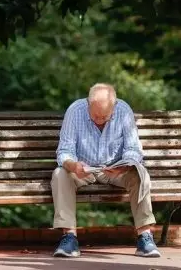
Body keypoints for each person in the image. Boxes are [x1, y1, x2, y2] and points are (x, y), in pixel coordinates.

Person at [50, 83, 160, 258]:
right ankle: (69, 237)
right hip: (84, 169)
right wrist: (74, 166)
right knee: (60, 173)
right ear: (88, 104)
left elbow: (133, 149)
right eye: (95, 116)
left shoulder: (123, 111)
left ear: (114, 107)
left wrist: (123, 166)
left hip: (115, 169)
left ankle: (145, 236)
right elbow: (64, 151)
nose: (99, 120)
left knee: (140, 173)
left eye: (105, 117)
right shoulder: (75, 111)